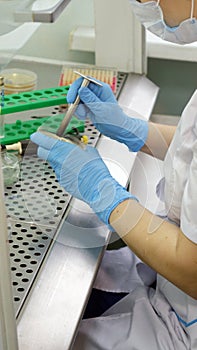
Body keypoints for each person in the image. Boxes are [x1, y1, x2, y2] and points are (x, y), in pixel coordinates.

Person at [31, 0, 197, 349]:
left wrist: (105, 194)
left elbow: (193, 269)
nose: (144, 5)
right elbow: (191, 146)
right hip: (174, 296)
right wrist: (132, 128)